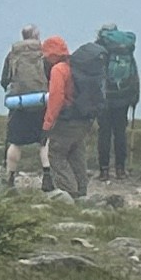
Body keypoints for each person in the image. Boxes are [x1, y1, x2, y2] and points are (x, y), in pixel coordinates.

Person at [41, 35, 94, 198]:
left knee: (56, 154)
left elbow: (56, 98)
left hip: (67, 120)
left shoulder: (59, 69)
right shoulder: (78, 66)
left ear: (51, 54)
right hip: (84, 118)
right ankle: (82, 191)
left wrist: (47, 125)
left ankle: (69, 192)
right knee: (77, 154)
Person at [0, 25, 50, 189]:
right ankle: (47, 176)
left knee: (15, 142)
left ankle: (10, 177)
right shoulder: (44, 54)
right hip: (41, 103)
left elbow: (4, 81)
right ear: (36, 36)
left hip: (19, 104)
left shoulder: (12, 55)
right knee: (44, 142)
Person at [94, 24, 139, 181]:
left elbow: (97, 74)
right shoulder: (126, 49)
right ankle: (120, 169)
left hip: (105, 98)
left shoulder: (100, 47)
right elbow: (134, 73)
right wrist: (134, 97)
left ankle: (104, 170)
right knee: (120, 133)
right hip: (124, 97)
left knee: (104, 133)